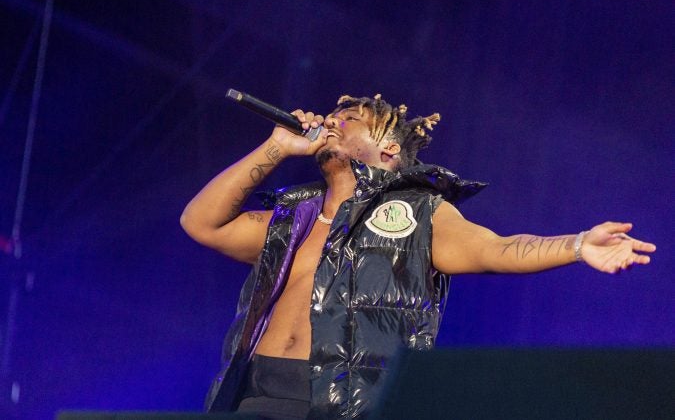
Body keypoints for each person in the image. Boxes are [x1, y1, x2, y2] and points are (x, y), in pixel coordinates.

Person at [180, 94, 656, 419]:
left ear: (387, 148)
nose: (329, 121)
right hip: (254, 396)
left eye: (347, 119)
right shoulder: (293, 218)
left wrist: (576, 244)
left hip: (338, 401)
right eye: (331, 114)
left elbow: (496, 249)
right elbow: (202, 223)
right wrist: (277, 146)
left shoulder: (420, 213)